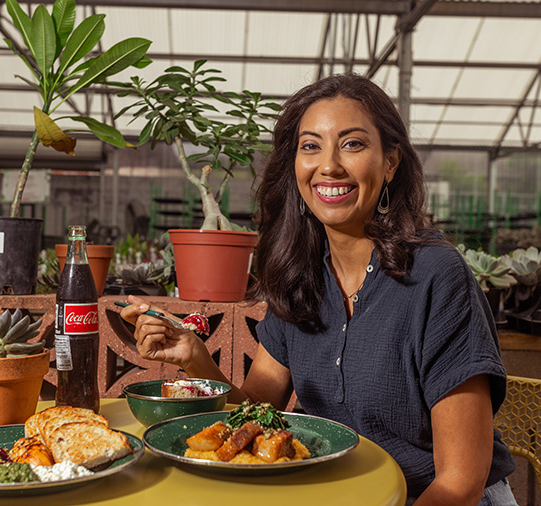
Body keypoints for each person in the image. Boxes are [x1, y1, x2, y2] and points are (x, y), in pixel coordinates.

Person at [119, 74, 517, 506]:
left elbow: (460, 483)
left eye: (353, 144)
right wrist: (195, 356)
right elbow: (255, 411)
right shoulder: (302, 274)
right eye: (311, 146)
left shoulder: (436, 276)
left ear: (390, 162)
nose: (329, 165)